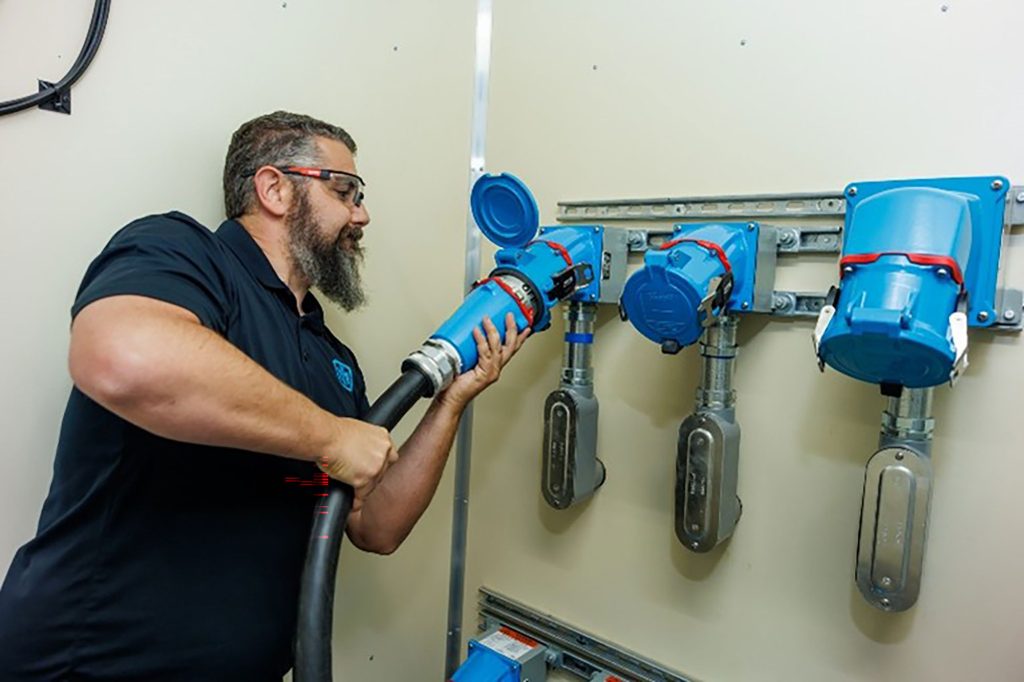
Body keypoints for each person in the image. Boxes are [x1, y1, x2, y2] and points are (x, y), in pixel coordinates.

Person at [0, 111, 529, 681]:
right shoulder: (186, 256)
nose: (362, 214)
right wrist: (332, 436)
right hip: (90, 666)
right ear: (274, 188)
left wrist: (449, 402)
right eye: (346, 191)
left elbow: (374, 524)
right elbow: (122, 357)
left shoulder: (332, 359)